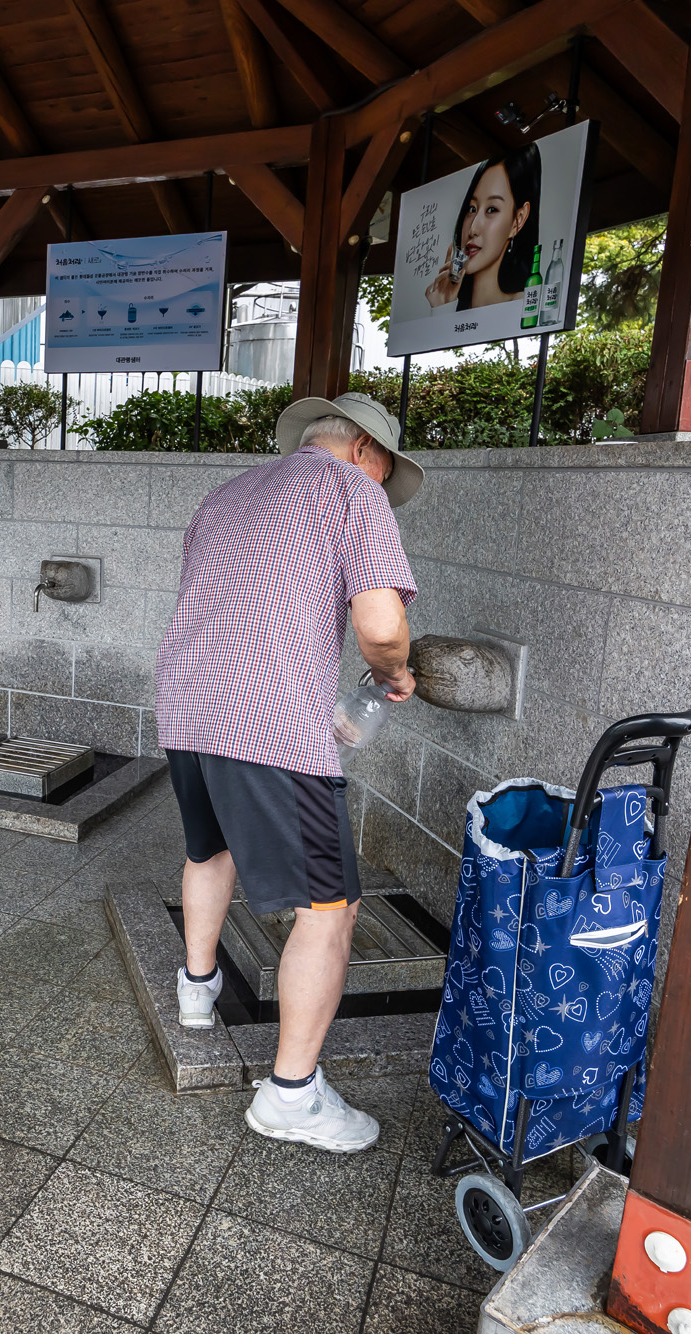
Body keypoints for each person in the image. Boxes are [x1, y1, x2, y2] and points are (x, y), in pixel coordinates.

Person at [154, 392, 424, 1153]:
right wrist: (395, 670)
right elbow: (377, 625)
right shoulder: (352, 491)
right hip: (270, 724)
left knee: (209, 849)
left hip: (186, 701)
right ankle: (292, 1096)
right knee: (330, 909)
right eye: (384, 467)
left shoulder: (229, 493)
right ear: (368, 452)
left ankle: (198, 991)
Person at [426, 144, 542, 311]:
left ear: (518, 220)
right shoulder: (445, 303)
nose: (473, 229)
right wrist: (441, 307)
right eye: (471, 209)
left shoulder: (523, 305)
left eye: (492, 209)